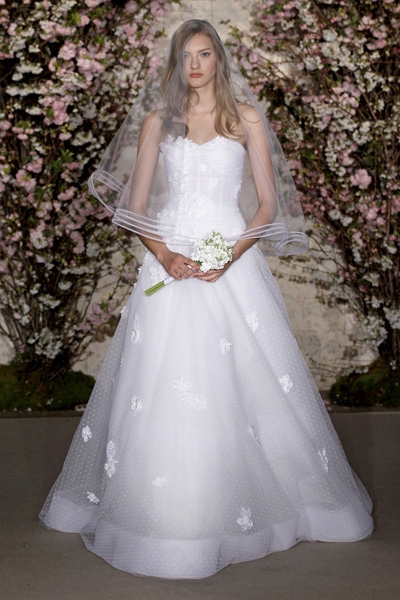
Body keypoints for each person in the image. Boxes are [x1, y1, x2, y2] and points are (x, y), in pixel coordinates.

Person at [40, 19, 373, 579]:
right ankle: (165, 510)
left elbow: (267, 206)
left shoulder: (245, 120)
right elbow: (134, 207)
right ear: (176, 63)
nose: (195, 65)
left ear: (218, 58)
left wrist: (227, 255)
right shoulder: (159, 121)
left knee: (245, 381)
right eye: (185, 56)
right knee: (161, 383)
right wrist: (167, 255)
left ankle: (263, 500)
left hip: (230, 263)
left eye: (204, 54)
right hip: (168, 263)